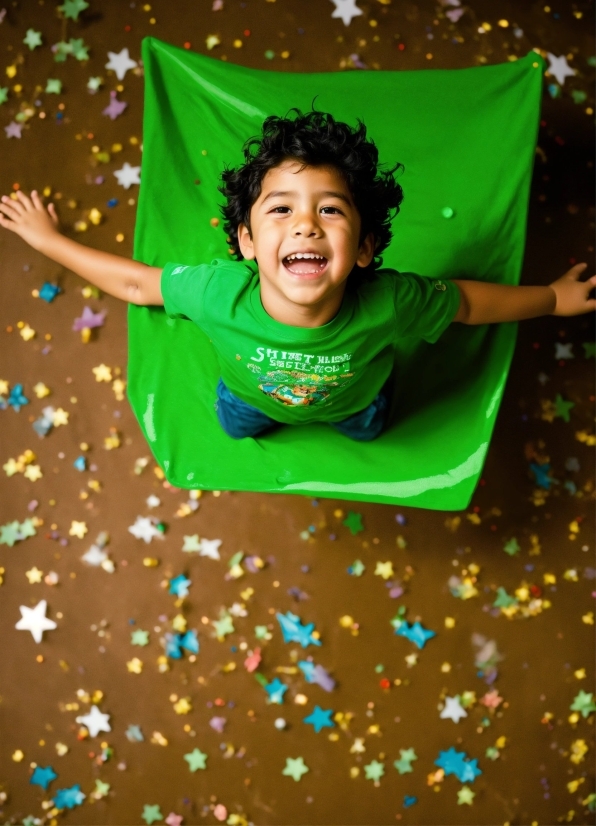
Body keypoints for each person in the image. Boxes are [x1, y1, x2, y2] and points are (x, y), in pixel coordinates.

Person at [1, 109, 594, 441]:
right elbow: (138, 284)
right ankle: (254, 417)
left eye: (329, 209)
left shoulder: (390, 300)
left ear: (363, 248)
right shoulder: (216, 292)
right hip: (248, 399)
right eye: (281, 209)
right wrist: (51, 241)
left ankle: (356, 419)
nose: (306, 224)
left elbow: (464, 302)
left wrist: (550, 299)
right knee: (236, 427)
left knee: (371, 428)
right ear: (248, 243)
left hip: (355, 403)